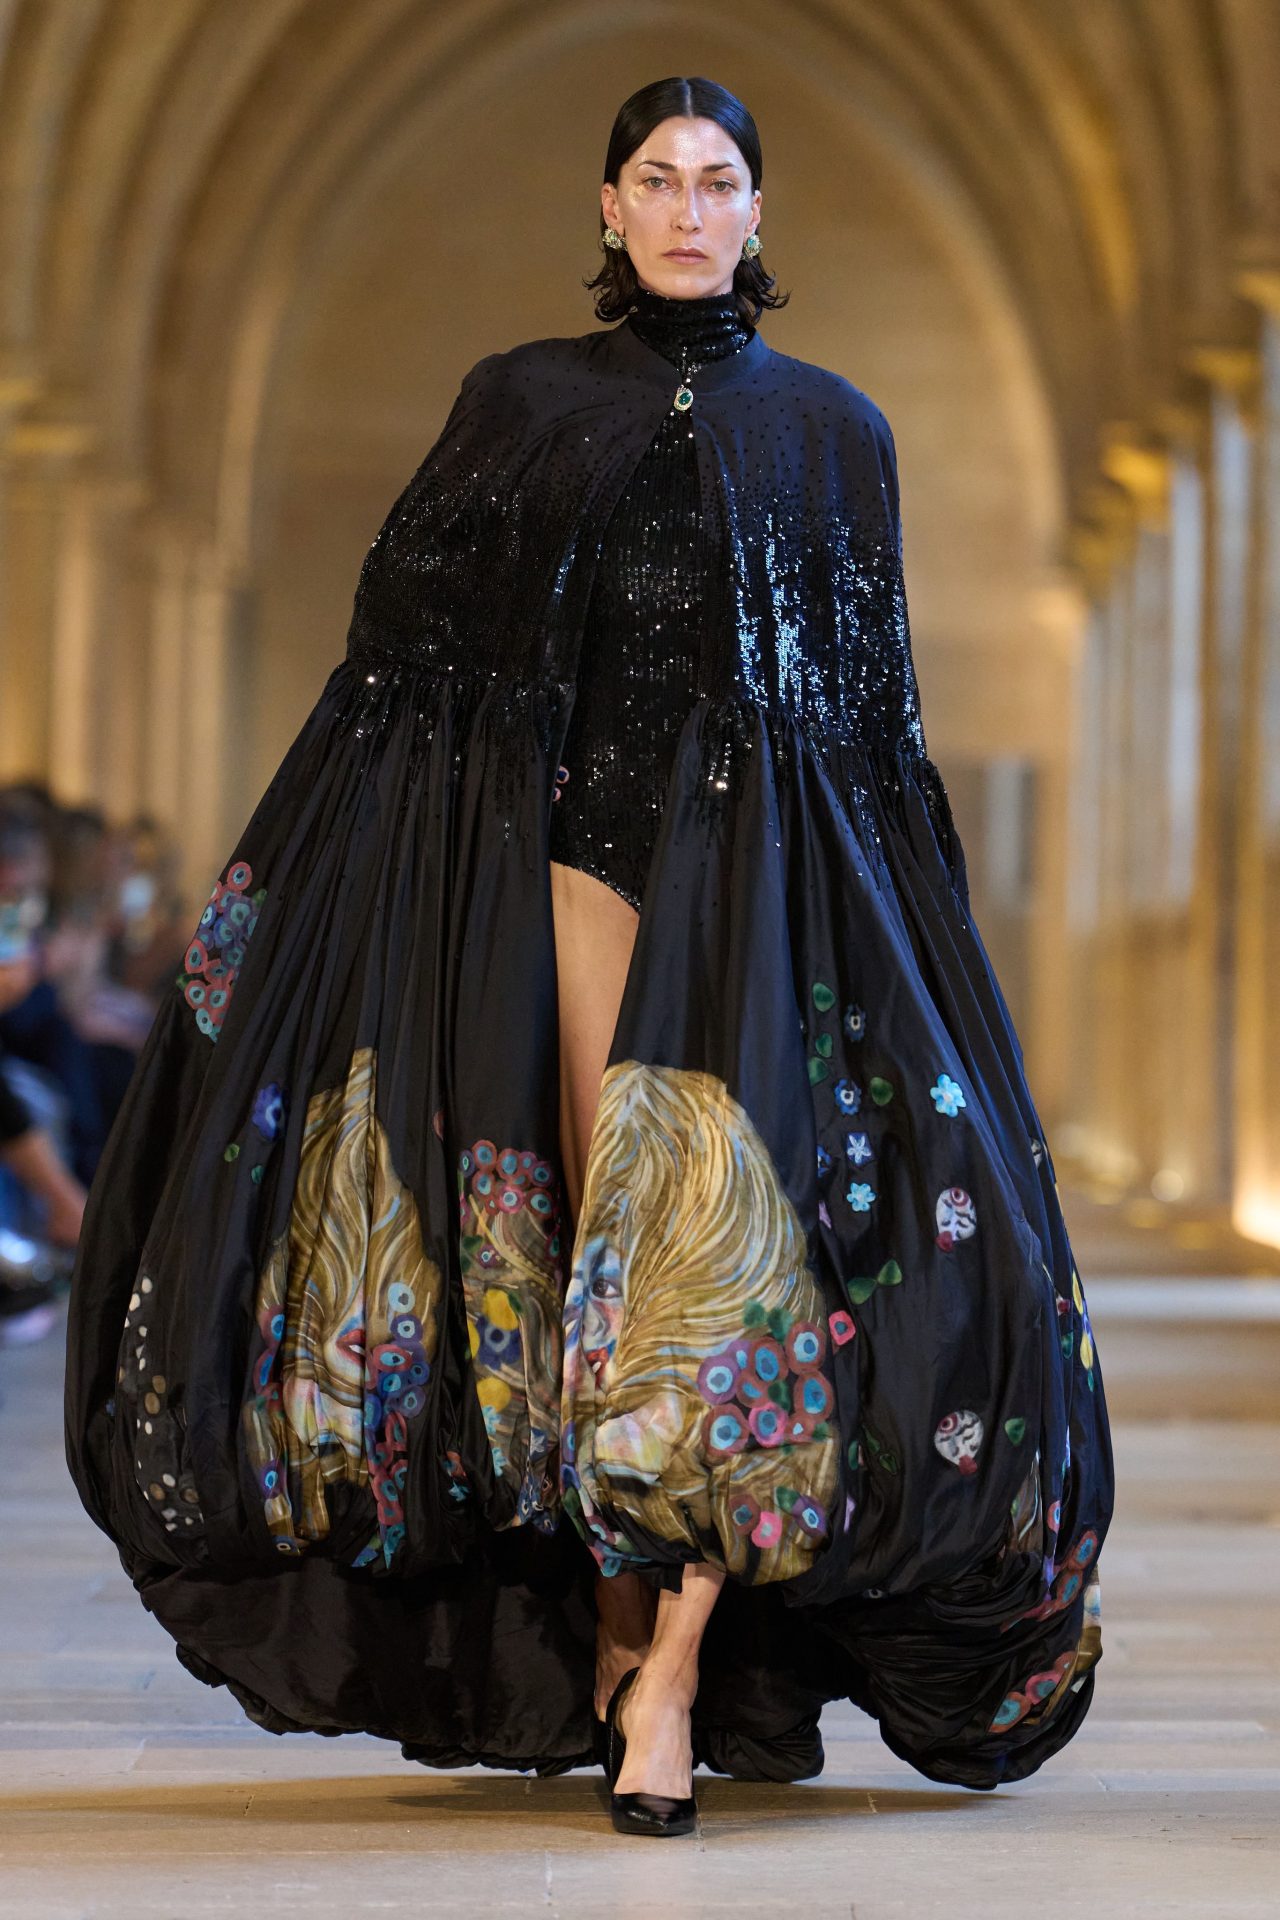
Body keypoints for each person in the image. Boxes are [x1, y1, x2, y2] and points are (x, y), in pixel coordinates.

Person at [63, 75, 1113, 1837]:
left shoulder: (836, 433)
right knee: (584, 1266)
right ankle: (625, 1640)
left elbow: (874, 723)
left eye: (719, 180)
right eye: (657, 178)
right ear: (610, 207)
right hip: (568, 888)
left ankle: (676, 1674)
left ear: (760, 212)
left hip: (771, 910)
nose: (690, 209)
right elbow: (403, 671)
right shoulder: (519, 403)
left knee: (724, 1263)